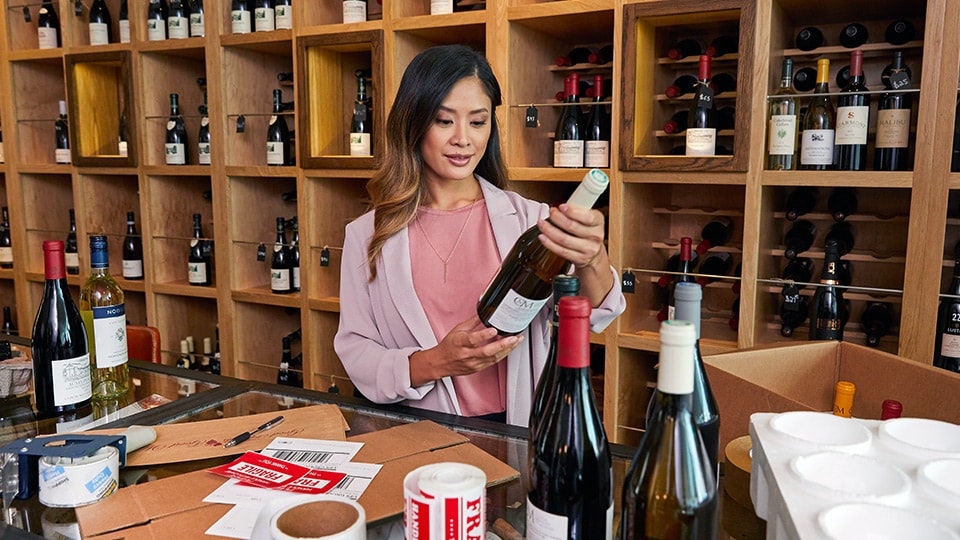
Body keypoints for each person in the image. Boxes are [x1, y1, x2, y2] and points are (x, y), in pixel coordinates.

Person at [334, 45, 625, 426]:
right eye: (443, 121)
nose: (463, 140)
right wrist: (438, 361)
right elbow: (356, 352)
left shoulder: (530, 221)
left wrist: (593, 259)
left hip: (513, 428)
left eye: (477, 121)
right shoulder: (367, 235)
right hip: (411, 431)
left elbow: (592, 315)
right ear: (413, 123)